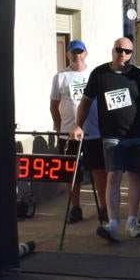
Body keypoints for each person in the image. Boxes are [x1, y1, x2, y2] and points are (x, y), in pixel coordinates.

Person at [72, 37, 140, 242]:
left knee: (135, 178)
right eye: (119, 50)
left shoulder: (139, 76)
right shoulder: (99, 74)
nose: (123, 54)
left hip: (138, 135)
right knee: (113, 176)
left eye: (128, 51)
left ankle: (132, 221)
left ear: (132, 54)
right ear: (112, 51)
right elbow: (86, 102)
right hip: (112, 136)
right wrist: (78, 125)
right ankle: (112, 224)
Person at [50, 40, 106, 225]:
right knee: (71, 172)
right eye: (73, 52)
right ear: (68, 55)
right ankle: (75, 207)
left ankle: (104, 207)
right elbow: (54, 105)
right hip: (69, 134)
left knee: (99, 170)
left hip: (93, 132)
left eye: (80, 52)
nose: (77, 55)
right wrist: (60, 128)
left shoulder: (94, 75)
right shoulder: (60, 77)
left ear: (86, 54)